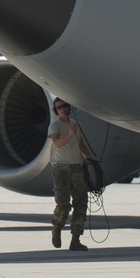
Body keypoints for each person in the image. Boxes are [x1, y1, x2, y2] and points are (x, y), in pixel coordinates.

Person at [47, 97, 94, 251]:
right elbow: (58, 143)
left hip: (77, 167)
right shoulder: (55, 126)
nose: (61, 109)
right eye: (58, 107)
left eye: (63, 106)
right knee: (63, 204)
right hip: (61, 168)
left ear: (68, 108)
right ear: (56, 110)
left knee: (81, 203)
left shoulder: (75, 124)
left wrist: (89, 157)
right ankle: (57, 227)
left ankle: (75, 239)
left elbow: (80, 144)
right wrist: (70, 133)